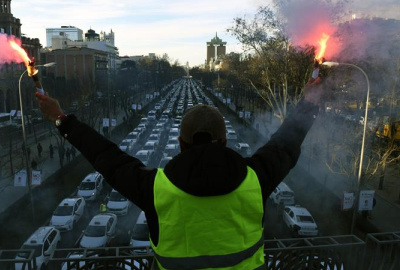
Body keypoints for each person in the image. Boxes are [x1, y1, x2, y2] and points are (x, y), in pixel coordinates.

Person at [35, 79, 323, 269]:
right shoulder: (255, 180)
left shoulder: (156, 189)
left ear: (181, 144)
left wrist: (61, 119)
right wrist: (309, 102)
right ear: (223, 141)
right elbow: (287, 142)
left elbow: (106, 157)